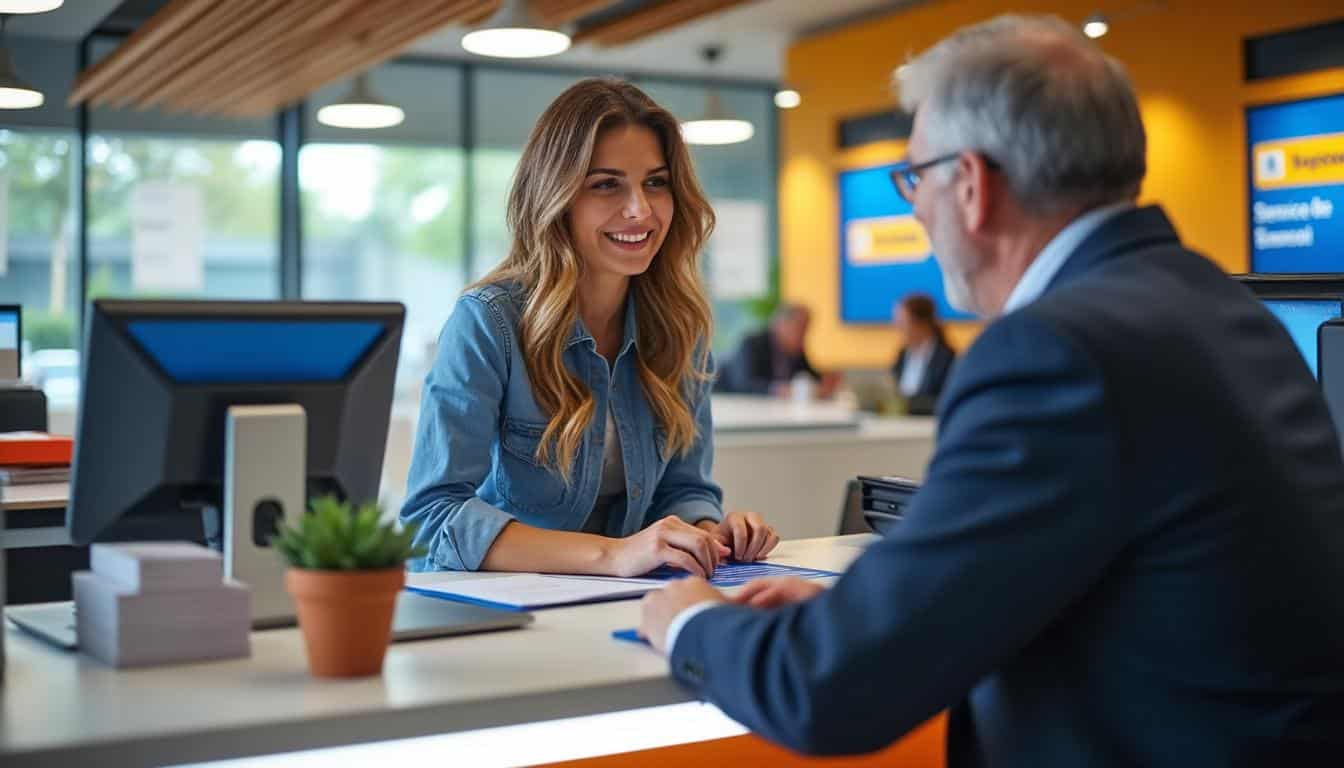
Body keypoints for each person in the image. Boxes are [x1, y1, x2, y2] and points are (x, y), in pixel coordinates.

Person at [639, 15, 1344, 765]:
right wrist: (881, 616)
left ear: (970, 185)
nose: (913, 208)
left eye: (914, 177)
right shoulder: (1221, 304)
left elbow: (828, 692)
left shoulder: (1053, 352)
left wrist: (690, 624)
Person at [400, 78, 778, 576]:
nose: (640, 209)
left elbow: (683, 489)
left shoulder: (681, 326)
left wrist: (708, 532)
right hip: (506, 610)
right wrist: (614, 554)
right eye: (606, 184)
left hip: (624, 603)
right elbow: (432, 518)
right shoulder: (490, 321)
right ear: (557, 197)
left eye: (655, 182)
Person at [717, 304, 841, 398]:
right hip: (729, 404)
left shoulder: (796, 350)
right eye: (799, 328)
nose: (803, 336)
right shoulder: (752, 343)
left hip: (775, 411)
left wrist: (824, 380)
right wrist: (777, 390)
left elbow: (809, 375)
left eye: (806, 330)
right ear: (780, 324)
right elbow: (742, 384)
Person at [890, 293, 955, 414]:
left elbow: (944, 401)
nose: (897, 327)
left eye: (902, 322)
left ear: (921, 324)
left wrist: (908, 404)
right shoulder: (902, 355)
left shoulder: (947, 359)